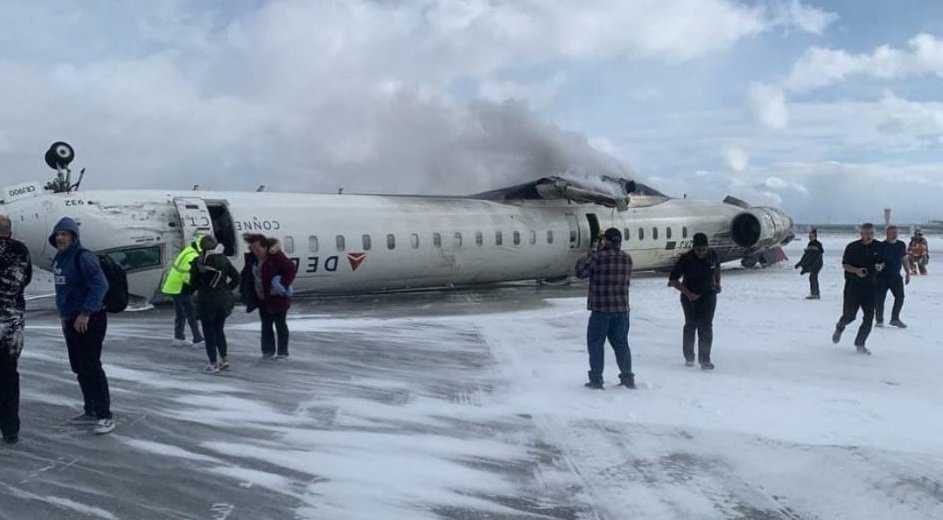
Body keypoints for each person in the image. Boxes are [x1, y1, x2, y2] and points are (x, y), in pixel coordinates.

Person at [49, 217, 115, 434]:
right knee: (78, 366)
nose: (60, 238)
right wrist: (64, 315)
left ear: (73, 236)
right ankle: (91, 409)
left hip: (89, 319)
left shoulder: (83, 257)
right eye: (58, 234)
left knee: (91, 365)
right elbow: (63, 291)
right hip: (70, 319)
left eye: (64, 234)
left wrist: (86, 312)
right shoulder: (59, 259)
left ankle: (105, 415)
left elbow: (100, 285)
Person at [574, 227, 635, 389]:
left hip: (601, 310)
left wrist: (586, 256)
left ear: (606, 241)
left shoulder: (597, 258)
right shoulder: (627, 259)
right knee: (621, 344)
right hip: (621, 310)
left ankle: (596, 380)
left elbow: (580, 273)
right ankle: (627, 377)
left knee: (596, 344)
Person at [0, 215, 32, 445]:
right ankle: (10, 429)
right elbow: (26, 279)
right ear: (9, 231)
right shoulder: (21, 250)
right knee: (9, 376)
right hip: (12, 323)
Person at [669, 232, 721, 370]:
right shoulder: (686, 259)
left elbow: (716, 269)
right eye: (698, 250)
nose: (701, 252)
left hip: (708, 295)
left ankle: (705, 359)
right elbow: (672, 281)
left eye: (704, 249)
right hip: (689, 297)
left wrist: (717, 283)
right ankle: (689, 356)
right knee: (691, 325)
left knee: (706, 326)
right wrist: (688, 294)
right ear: (693, 248)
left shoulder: (713, 255)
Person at [240, 234, 297, 359]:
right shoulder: (252, 259)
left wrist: (282, 285)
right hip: (262, 299)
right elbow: (246, 275)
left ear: (265, 247)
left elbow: (291, 269)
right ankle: (267, 351)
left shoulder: (275, 257)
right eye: (253, 248)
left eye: (257, 248)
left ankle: (282, 352)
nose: (255, 251)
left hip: (277, 298)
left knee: (280, 324)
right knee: (266, 325)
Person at [190, 236, 240, 373]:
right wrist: (226, 289)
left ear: (202, 247)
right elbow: (236, 277)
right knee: (219, 330)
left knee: (208, 332)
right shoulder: (224, 259)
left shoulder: (199, 261)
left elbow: (193, 282)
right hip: (223, 301)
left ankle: (213, 363)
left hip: (207, 301)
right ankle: (224, 360)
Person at [832, 223, 884, 355]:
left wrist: (880, 266)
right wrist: (856, 271)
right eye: (866, 233)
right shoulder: (852, 247)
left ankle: (860, 343)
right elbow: (845, 265)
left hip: (871, 287)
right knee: (850, 316)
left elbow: (882, 261)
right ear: (861, 234)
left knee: (869, 317)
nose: (868, 236)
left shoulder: (879, 246)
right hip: (853, 287)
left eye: (871, 233)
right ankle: (840, 326)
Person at [160, 235, 204, 347]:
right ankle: (197, 339)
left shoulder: (188, 250)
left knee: (181, 313)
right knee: (190, 312)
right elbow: (188, 276)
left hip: (174, 286)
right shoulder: (192, 257)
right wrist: (198, 285)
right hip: (181, 287)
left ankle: (178, 337)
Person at [875, 225, 911, 329]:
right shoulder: (881, 246)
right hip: (882, 277)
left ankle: (895, 319)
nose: (894, 234)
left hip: (896, 277)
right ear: (887, 234)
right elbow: (876, 262)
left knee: (900, 297)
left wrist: (908, 273)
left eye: (896, 232)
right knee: (880, 299)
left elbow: (904, 259)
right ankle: (879, 320)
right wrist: (878, 266)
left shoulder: (901, 245)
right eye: (892, 233)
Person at [794, 228, 824, 299]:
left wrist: (810, 265)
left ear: (815, 236)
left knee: (813, 277)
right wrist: (799, 263)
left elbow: (816, 256)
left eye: (811, 235)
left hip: (817, 264)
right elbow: (806, 256)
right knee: (812, 277)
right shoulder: (810, 244)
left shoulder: (817, 244)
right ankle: (814, 293)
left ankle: (815, 293)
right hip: (813, 264)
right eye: (809, 236)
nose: (809, 237)